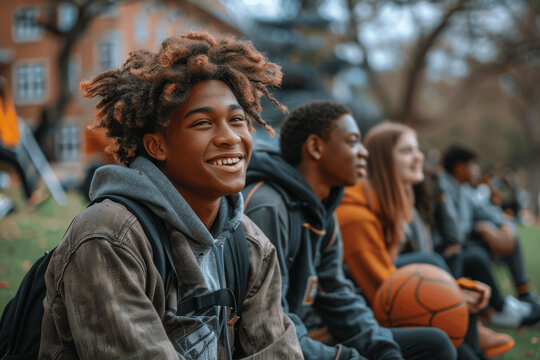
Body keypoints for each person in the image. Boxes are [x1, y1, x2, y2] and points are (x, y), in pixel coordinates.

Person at [39, 31, 303, 359]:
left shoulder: (250, 246)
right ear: (157, 145)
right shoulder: (109, 238)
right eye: (203, 123)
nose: (230, 137)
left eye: (237, 120)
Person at [244, 101, 457, 360]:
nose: (364, 153)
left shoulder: (324, 213)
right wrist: (346, 357)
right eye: (353, 141)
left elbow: (339, 297)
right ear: (315, 148)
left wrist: (385, 350)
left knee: (433, 344)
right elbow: (271, 329)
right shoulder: (268, 207)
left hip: (303, 337)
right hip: (274, 347)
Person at [335, 123, 513, 359]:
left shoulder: (392, 202)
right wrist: (455, 298)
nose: (419, 157)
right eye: (408, 151)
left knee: (431, 261)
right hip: (351, 313)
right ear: (382, 159)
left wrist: (458, 292)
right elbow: (385, 290)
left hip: (375, 293)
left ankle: (474, 340)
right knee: (441, 330)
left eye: (417, 150)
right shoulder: (356, 216)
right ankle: (473, 345)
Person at [439, 143, 540, 328]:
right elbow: (453, 230)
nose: (476, 170)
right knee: (477, 255)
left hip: (465, 240)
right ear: (460, 167)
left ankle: (524, 294)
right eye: (473, 165)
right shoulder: (443, 187)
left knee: (509, 237)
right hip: (449, 249)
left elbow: (486, 211)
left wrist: (503, 226)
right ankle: (498, 309)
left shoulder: (464, 189)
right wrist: (481, 227)